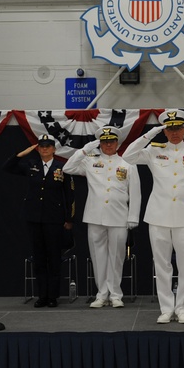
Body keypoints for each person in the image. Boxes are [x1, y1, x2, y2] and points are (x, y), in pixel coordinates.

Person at [123, 109, 184, 324]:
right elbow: (127, 156)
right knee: (162, 266)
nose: (174, 133)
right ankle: (166, 308)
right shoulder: (153, 150)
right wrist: (150, 134)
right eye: (170, 129)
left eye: (178, 128)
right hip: (158, 216)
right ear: (164, 130)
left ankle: (182, 309)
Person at [63, 127, 140, 308]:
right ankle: (101, 294)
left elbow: (136, 193)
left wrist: (133, 216)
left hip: (119, 216)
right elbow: (68, 168)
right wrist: (84, 150)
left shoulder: (128, 164)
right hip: (95, 216)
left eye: (111, 141)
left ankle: (115, 295)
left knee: (117, 256)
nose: (108, 145)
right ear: (99, 144)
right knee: (98, 257)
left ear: (117, 143)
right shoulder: (90, 161)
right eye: (104, 142)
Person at [4, 134, 75, 308]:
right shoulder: (31, 165)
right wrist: (21, 154)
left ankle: (53, 296)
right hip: (34, 218)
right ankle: (42, 295)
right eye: (41, 146)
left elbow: (69, 195)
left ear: (54, 149)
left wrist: (68, 218)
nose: (44, 149)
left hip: (54, 218)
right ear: (37, 149)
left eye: (48, 146)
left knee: (54, 257)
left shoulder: (62, 167)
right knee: (40, 258)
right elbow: (7, 167)